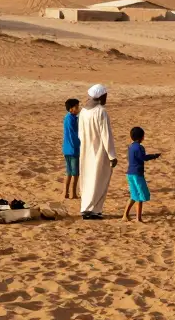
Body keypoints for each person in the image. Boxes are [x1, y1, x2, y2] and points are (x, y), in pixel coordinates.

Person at [78, 84, 117, 220]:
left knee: (87, 178)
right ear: (100, 96)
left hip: (86, 150)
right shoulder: (101, 112)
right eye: (105, 96)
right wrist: (112, 155)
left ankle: (86, 208)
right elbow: (106, 135)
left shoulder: (83, 112)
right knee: (98, 180)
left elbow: (80, 134)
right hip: (99, 151)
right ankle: (93, 210)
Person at [123, 126, 160, 223]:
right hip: (137, 174)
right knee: (139, 196)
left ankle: (125, 215)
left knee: (133, 195)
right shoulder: (139, 147)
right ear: (141, 137)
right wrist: (154, 156)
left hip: (130, 173)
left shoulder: (130, 146)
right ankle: (138, 218)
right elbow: (143, 158)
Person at [62, 98, 81, 199]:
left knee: (69, 172)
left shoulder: (67, 117)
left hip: (66, 149)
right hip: (73, 149)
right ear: (70, 109)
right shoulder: (72, 119)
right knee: (75, 173)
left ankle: (65, 192)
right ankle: (73, 193)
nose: (78, 109)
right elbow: (74, 134)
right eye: (76, 107)